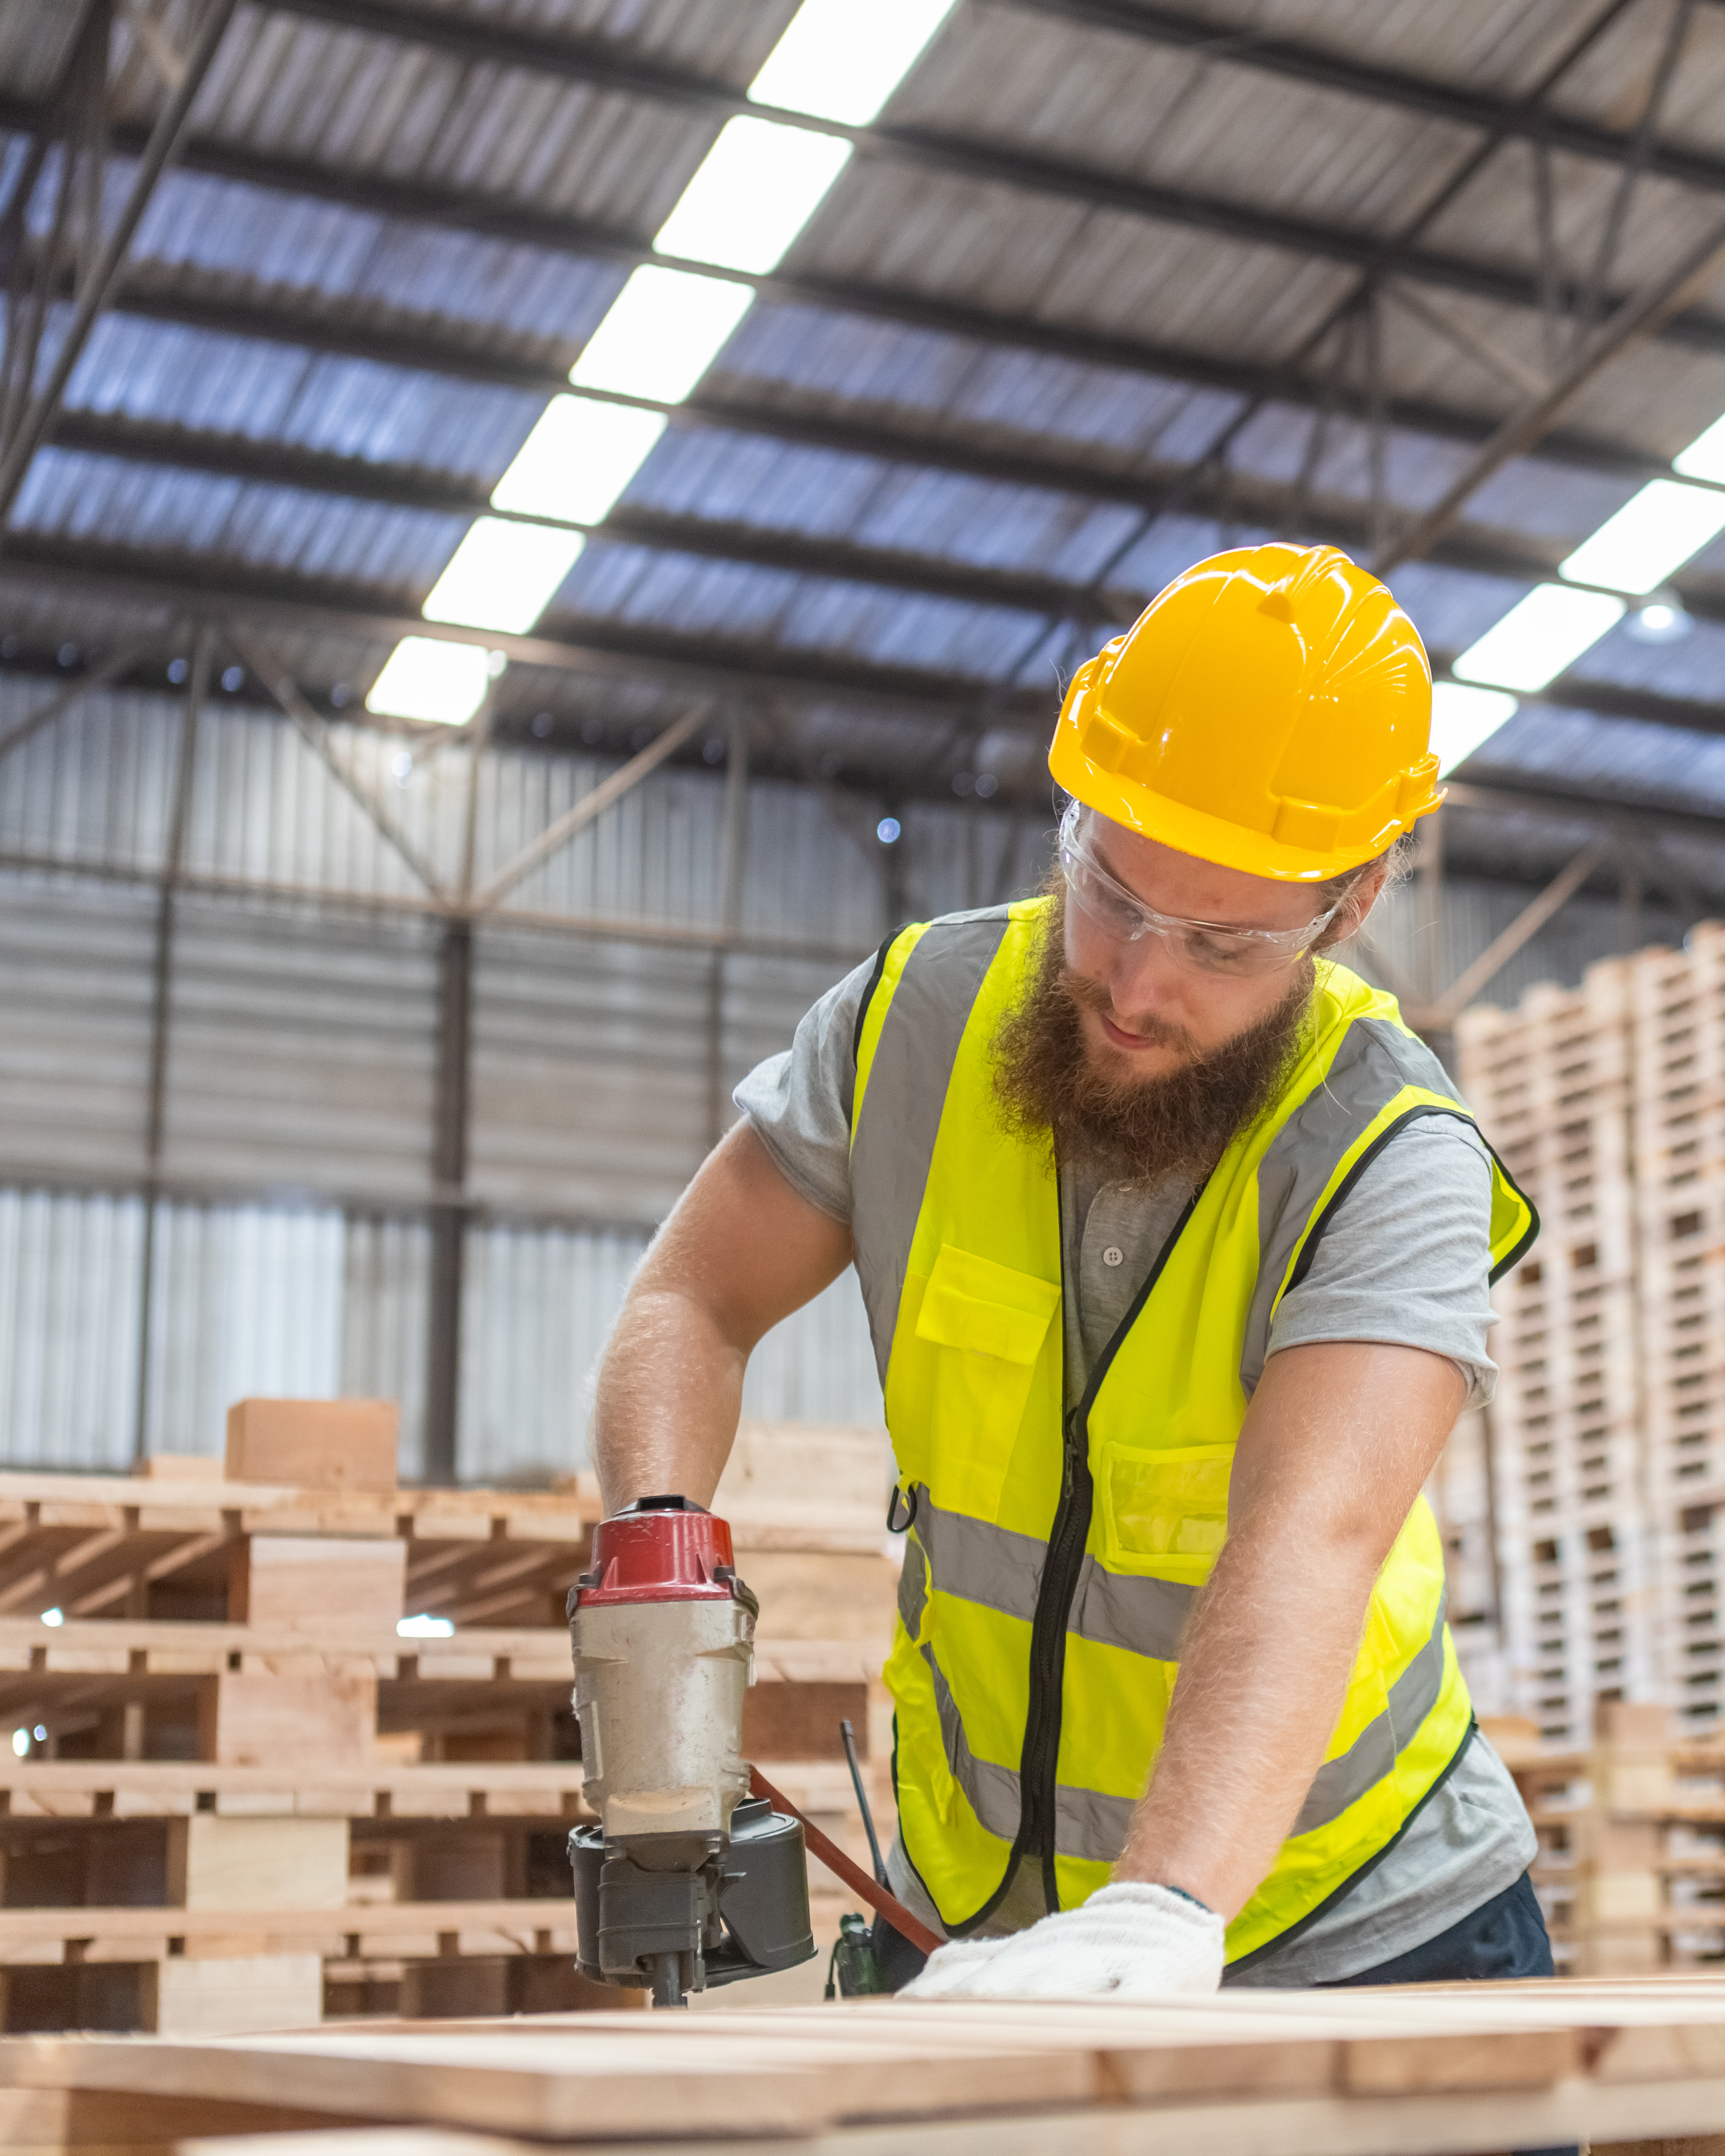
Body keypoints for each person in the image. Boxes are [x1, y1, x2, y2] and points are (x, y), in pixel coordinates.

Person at [592, 540, 1549, 2001]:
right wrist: (657, 1544)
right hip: (979, 1915)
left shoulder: (1388, 1153)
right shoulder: (910, 1024)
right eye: (1111, 890)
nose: (1133, 977)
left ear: (1345, 908)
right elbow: (691, 1299)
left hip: (1350, 1924)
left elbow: (1312, 1537)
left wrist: (1160, 1908)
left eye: (1220, 943)